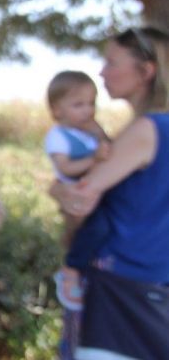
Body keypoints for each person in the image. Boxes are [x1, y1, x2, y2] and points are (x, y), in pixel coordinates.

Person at [50, 26, 169, 359]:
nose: (102, 72)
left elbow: (81, 198)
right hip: (152, 283)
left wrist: (57, 187)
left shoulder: (147, 129)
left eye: (111, 62)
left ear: (146, 71)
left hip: (120, 287)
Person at [44, 71, 111, 358]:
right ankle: (70, 270)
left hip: (97, 197)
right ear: (57, 109)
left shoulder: (90, 133)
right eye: (79, 104)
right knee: (91, 231)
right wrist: (94, 158)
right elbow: (66, 168)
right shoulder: (58, 136)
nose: (88, 110)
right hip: (79, 198)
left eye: (91, 103)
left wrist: (100, 135)